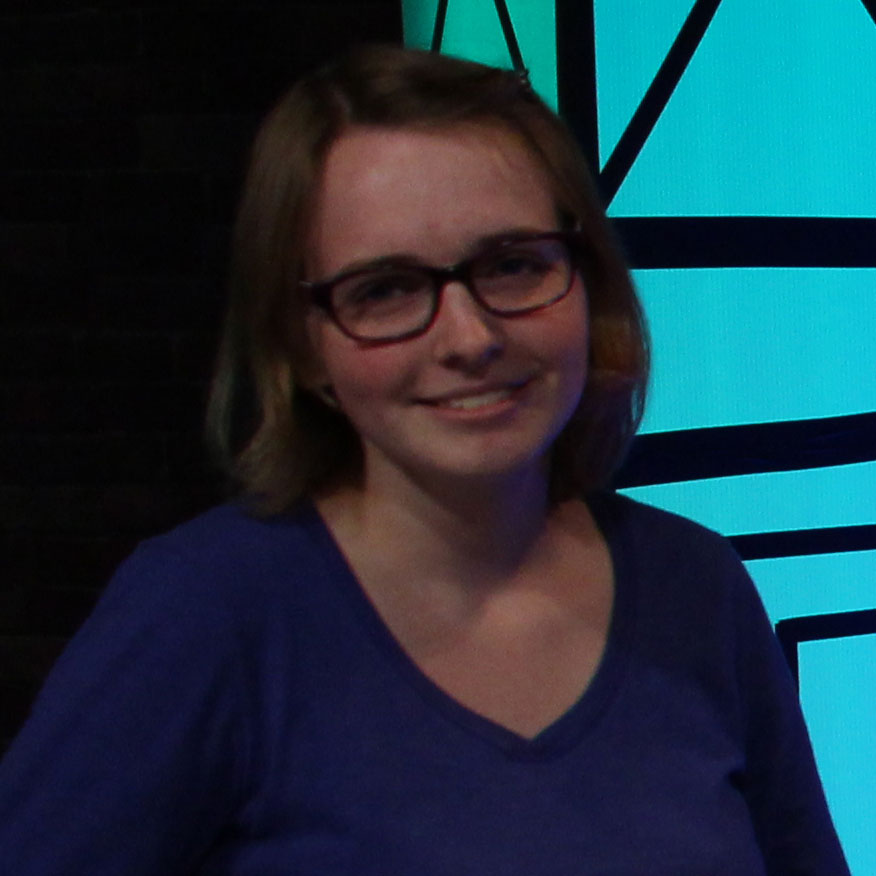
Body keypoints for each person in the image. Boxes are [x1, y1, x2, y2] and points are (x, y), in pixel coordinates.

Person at [0, 45, 849, 875]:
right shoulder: (207, 611)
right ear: (303, 345)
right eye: (386, 289)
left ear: (588, 280)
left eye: (512, 265)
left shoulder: (696, 587)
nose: (470, 338)